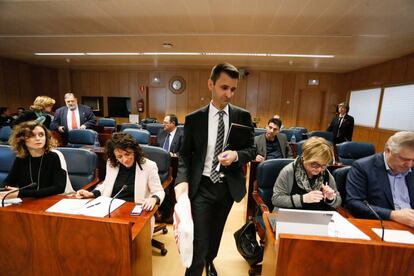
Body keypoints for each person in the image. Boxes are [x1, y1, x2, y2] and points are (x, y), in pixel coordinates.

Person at [174, 63, 255, 276]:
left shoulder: (242, 116)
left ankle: (210, 261)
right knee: (199, 240)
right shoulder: (194, 119)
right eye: (224, 87)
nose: (228, 94)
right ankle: (195, 269)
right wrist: (181, 180)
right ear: (211, 84)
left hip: (227, 188)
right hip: (202, 187)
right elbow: (185, 154)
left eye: (233, 89)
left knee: (216, 234)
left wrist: (237, 155)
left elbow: (252, 149)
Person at [76, 132, 165, 229]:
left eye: (127, 154)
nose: (125, 159)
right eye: (119, 157)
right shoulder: (112, 163)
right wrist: (92, 193)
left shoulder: (149, 166)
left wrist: (154, 198)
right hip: (111, 209)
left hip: (135, 213)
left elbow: (158, 191)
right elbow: (106, 184)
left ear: (134, 151)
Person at [346, 131, 414, 227]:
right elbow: (354, 203)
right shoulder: (363, 167)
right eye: (404, 159)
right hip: (382, 225)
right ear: (388, 150)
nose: (410, 165)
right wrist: (392, 215)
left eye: (413, 160)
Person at [0, 121, 66, 200]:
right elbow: (9, 181)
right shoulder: (21, 158)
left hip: (49, 201)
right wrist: (4, 190)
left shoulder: (54, 156)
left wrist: (20, 193)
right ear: (22, 139)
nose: (38, 138)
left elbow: (59, 188)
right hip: (26, 201)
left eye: (41, 135)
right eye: (32, 135)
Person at [272, 137, 341, 210]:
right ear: (304, 156)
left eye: (323, 165)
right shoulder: (289, 171)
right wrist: (303, 199)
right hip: (293, 215)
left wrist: (331, 198)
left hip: (317, 216)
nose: (319, 169)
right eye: (315, 164)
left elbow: (338, 201)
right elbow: (276, 199)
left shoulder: (326, 174)